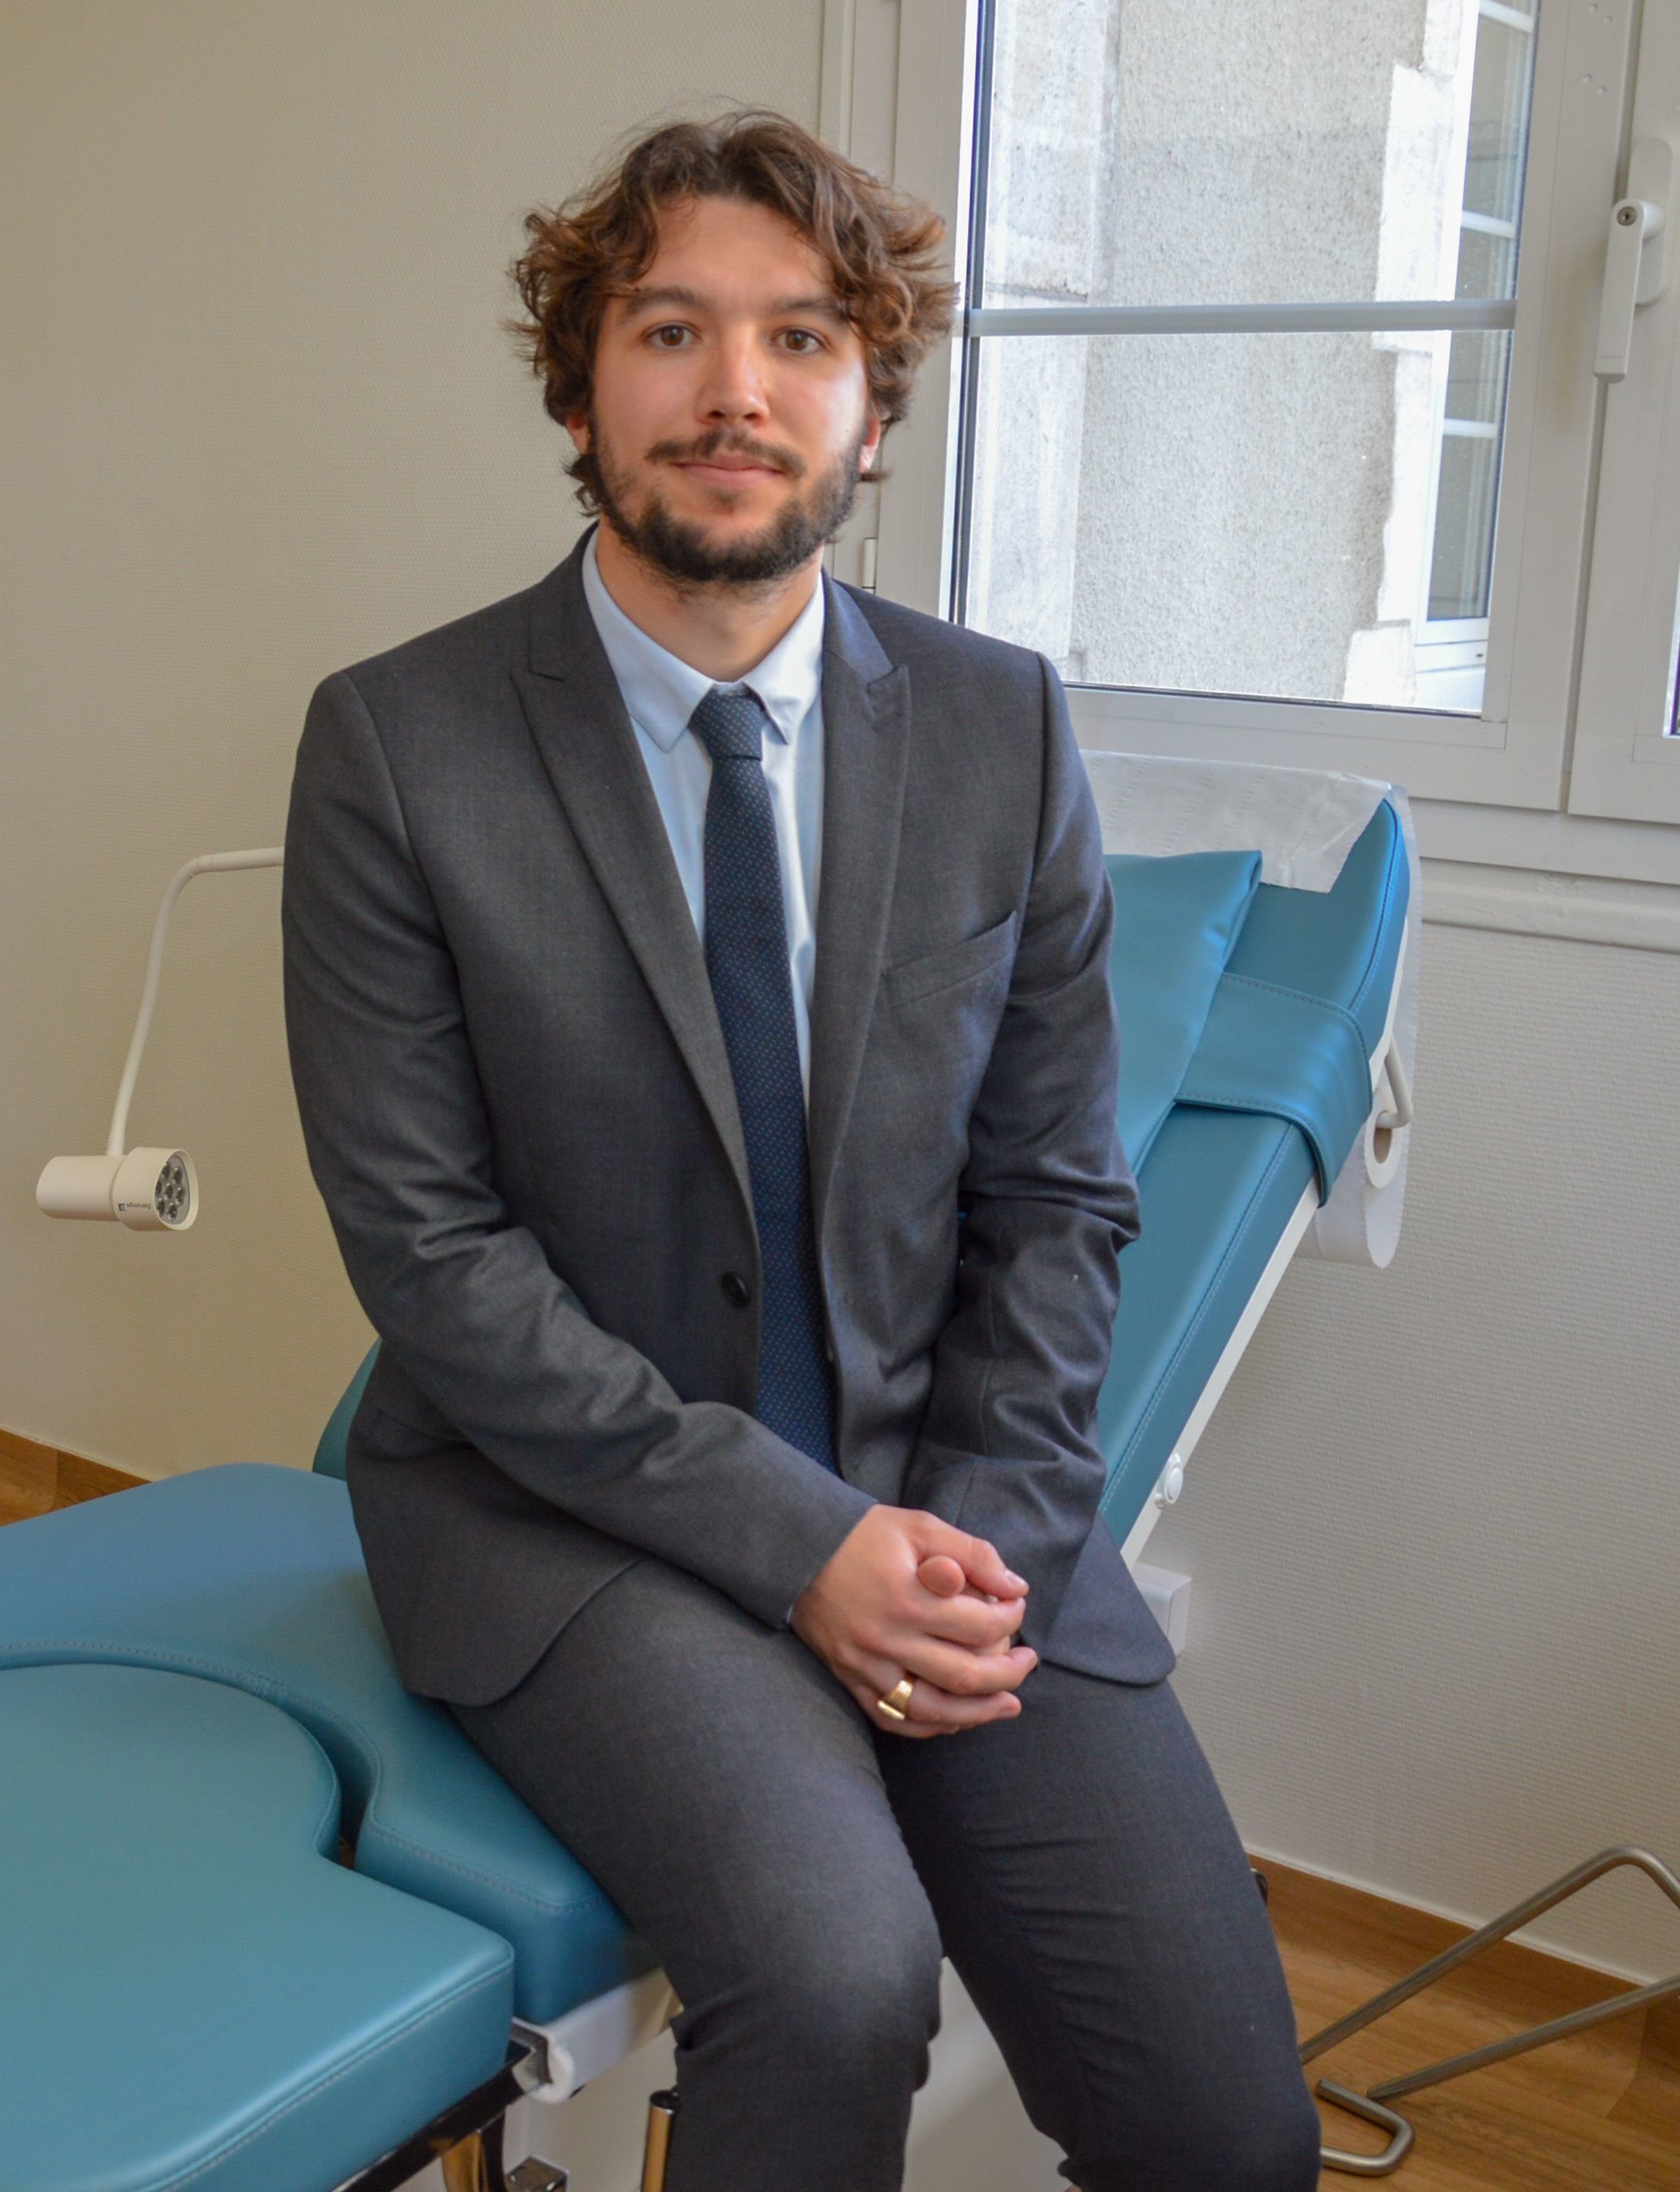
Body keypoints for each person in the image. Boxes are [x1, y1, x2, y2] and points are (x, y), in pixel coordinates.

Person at [279, 111, 1320, 2191]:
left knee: (1230, 2130)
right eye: (671, 331)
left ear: (872, 405)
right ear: (579, 390)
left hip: (947, 1493)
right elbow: (438, 1261)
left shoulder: (1002, 728)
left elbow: (1056, 1197)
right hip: (562, 1516)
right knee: (838, 1976)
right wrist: (801, 1550)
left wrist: (982, 1551)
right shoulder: (401, 746)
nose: (736, 390)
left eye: (804, 339)